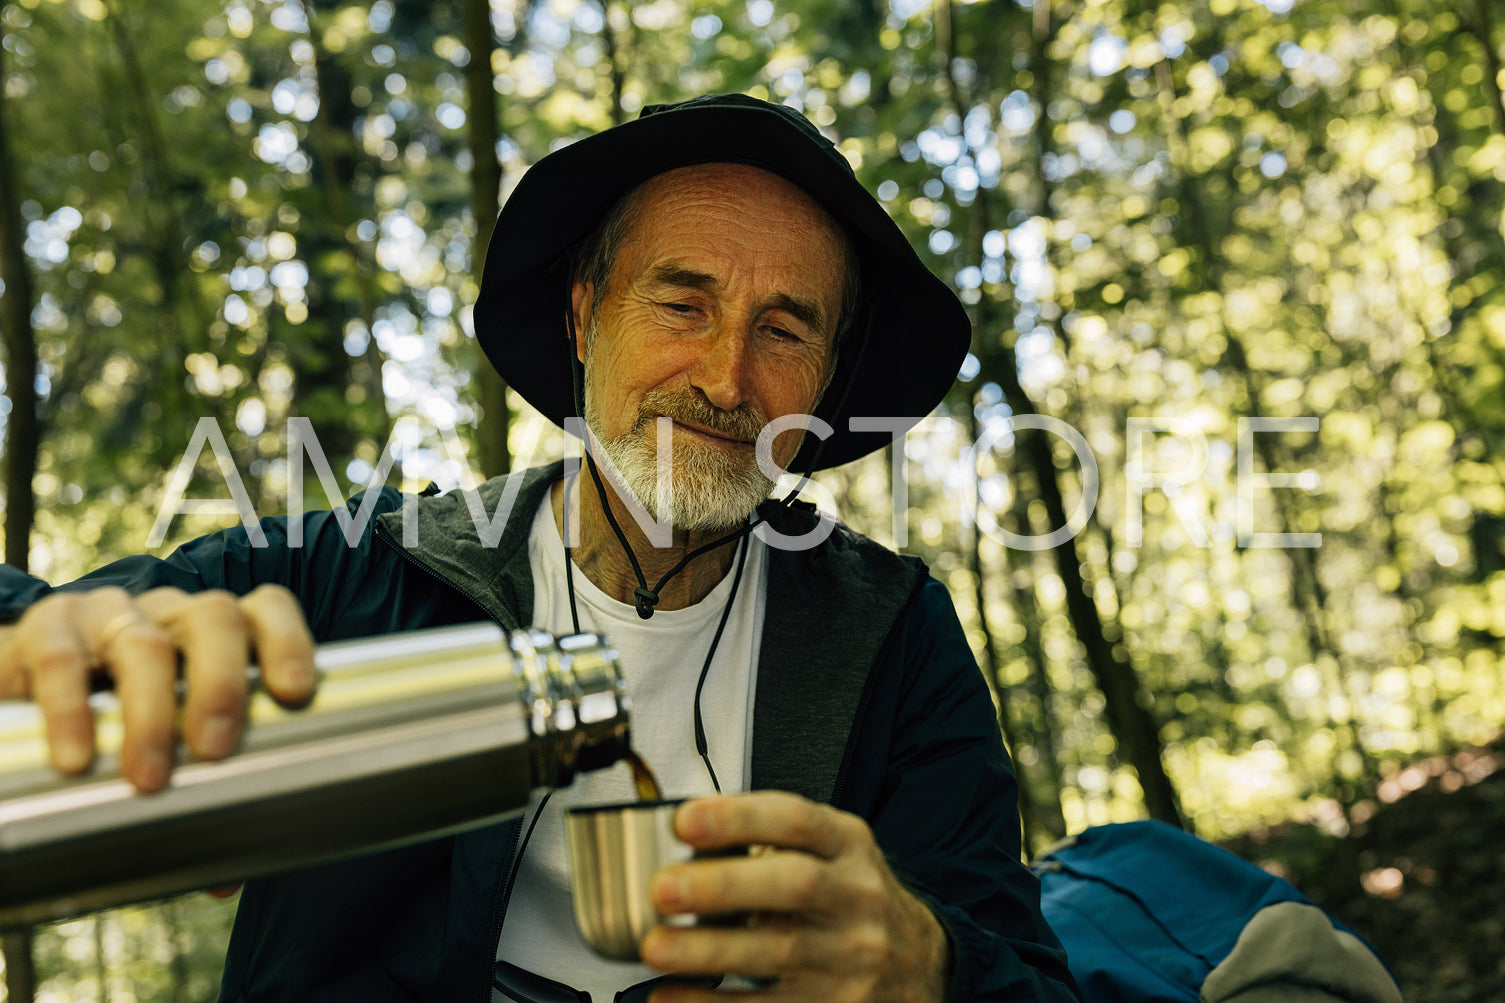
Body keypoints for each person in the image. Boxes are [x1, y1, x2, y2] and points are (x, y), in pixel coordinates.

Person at [0, 94, 1080, 1002]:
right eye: (680, 301)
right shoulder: (365, 570)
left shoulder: (889, 635)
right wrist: (45, 639)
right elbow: (55, 627)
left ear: (826, 384)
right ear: (581, 317)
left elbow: (1026, 975)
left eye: (783, 330)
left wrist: (924, 964)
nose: (723, 375)